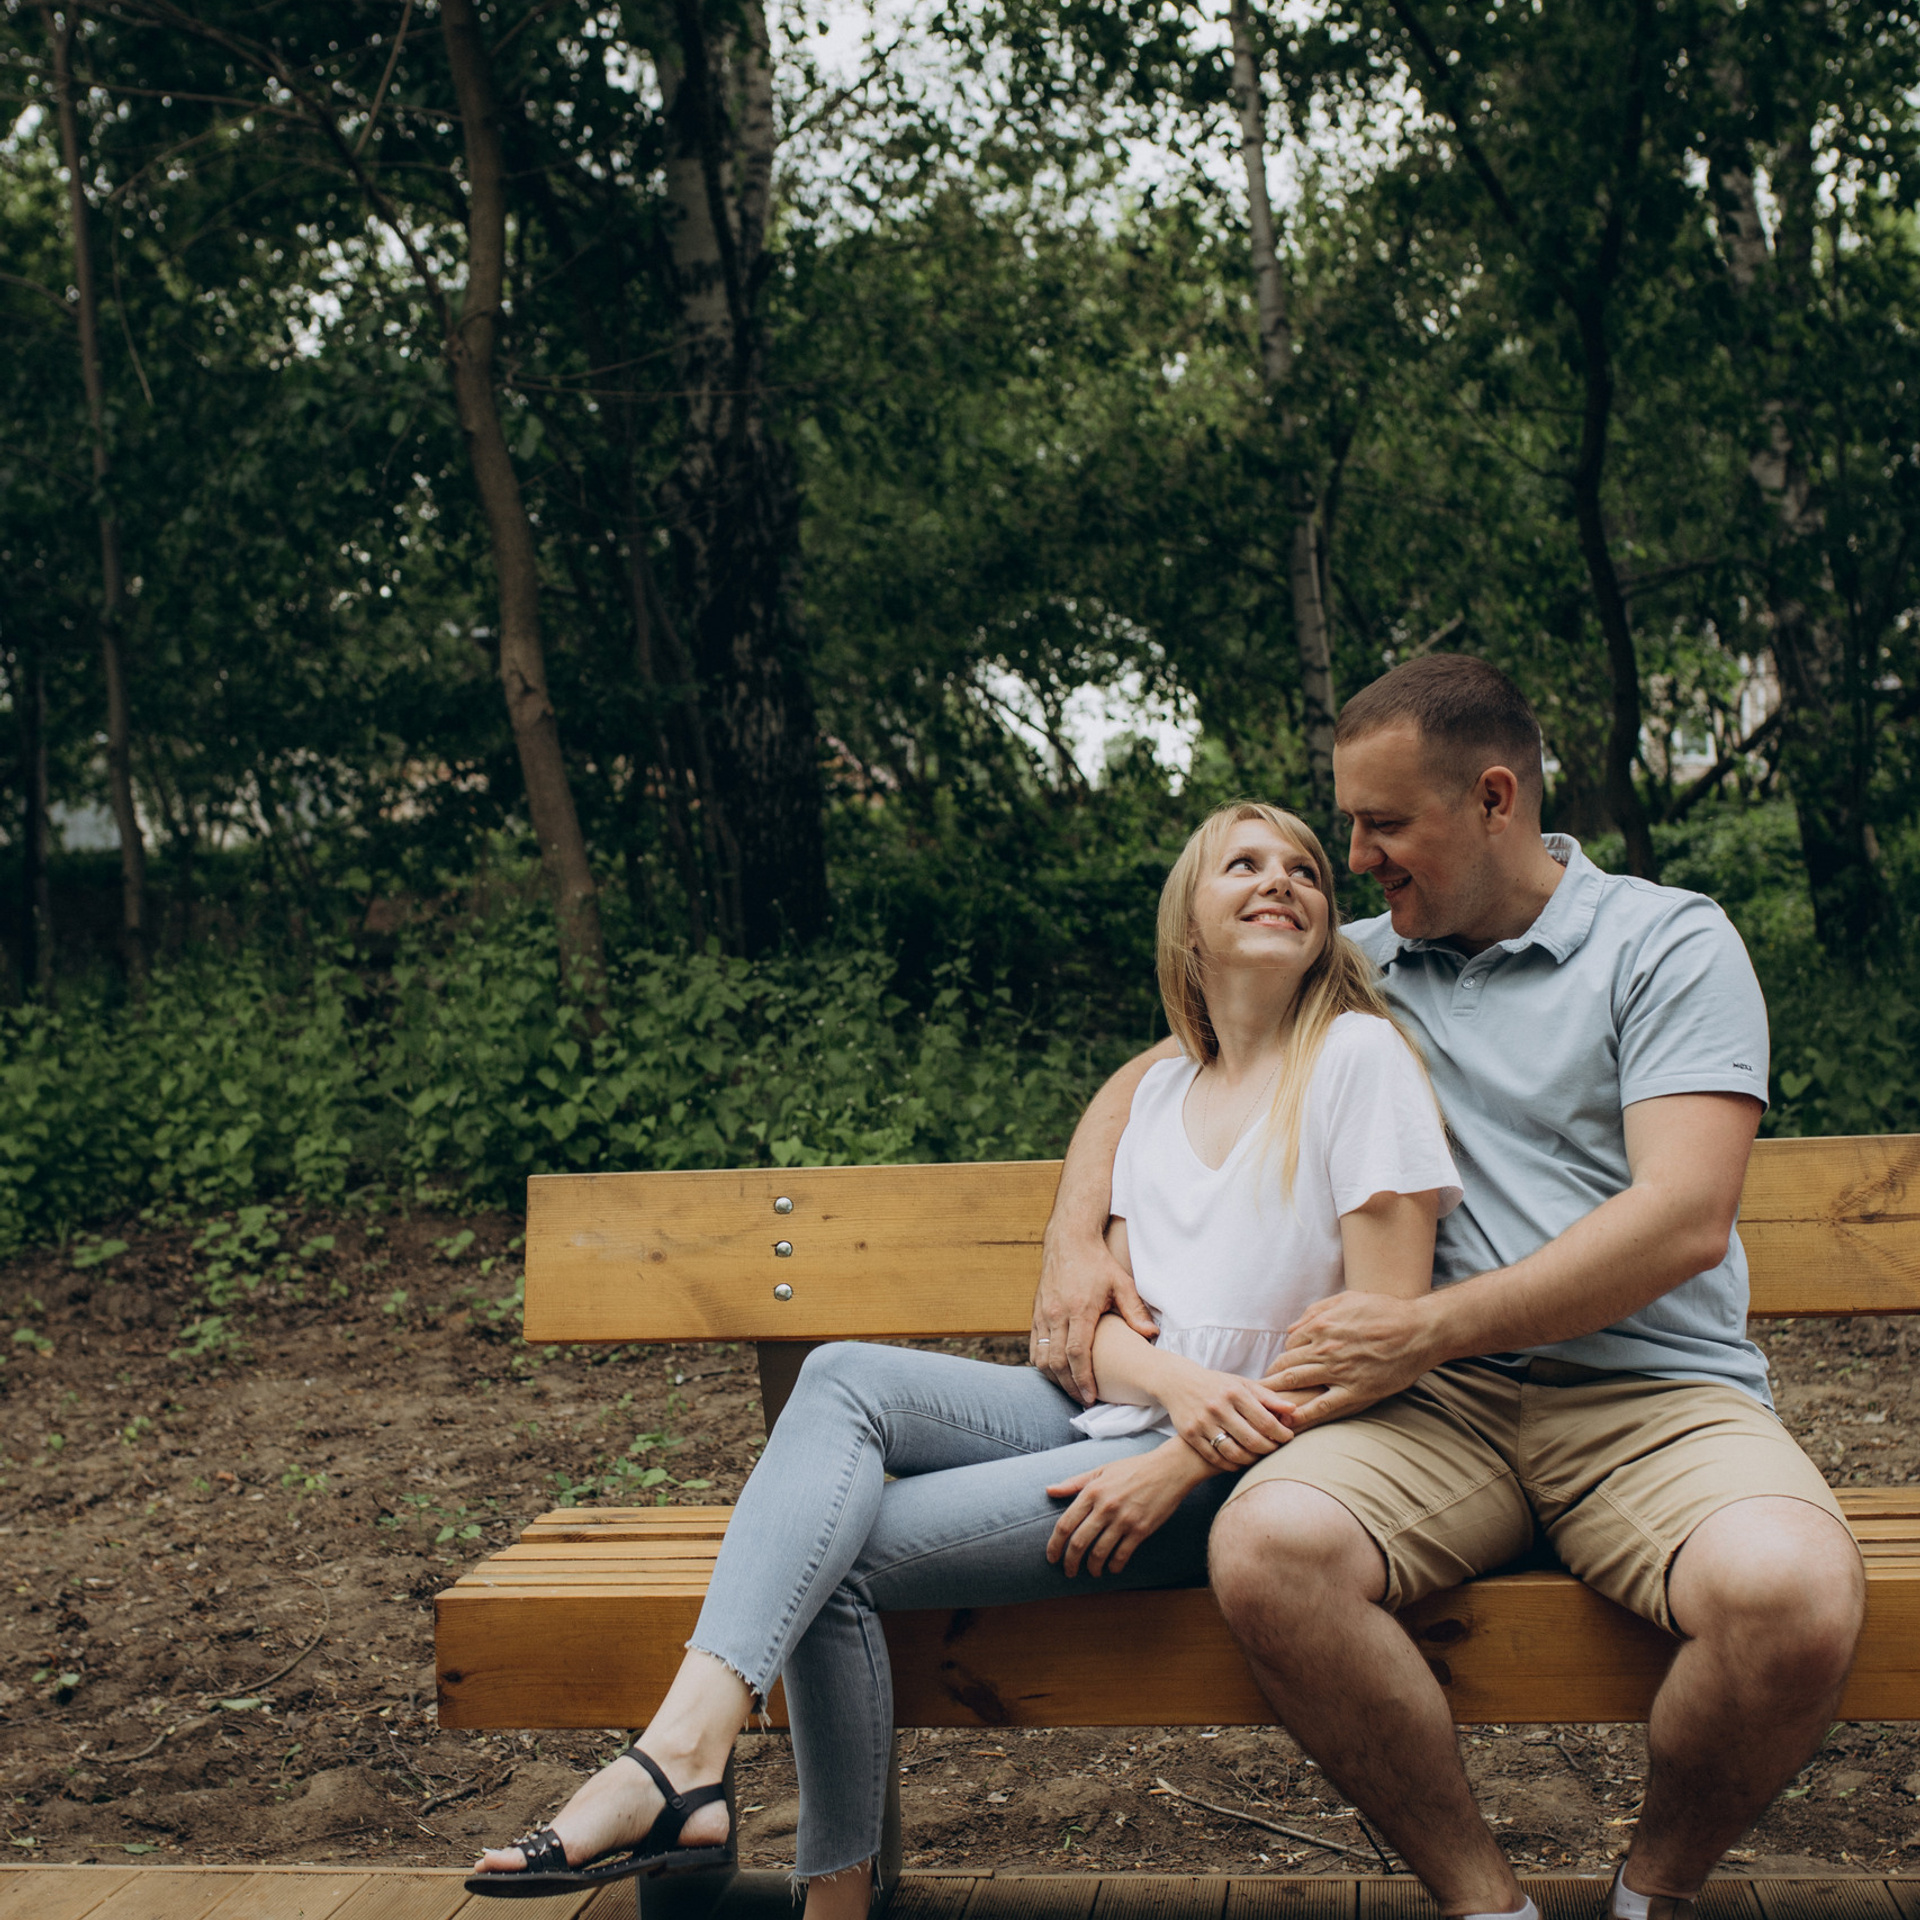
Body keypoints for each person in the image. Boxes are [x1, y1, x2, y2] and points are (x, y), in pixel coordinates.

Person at [467, 801, 1461, 1907]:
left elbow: (1383, 1339)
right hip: (1132, 1414)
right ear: (1188, 926)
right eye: (1244, 863)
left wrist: (1184, 1447)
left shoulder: (1360, 1063)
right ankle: (690, 1758)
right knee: (843, 1373)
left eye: (1308, 871)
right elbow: (1107, 1341)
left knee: (826, 1557)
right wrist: (1173, 1384)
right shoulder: (1163, 1091)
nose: (1282, 880)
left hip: (1250, 1472)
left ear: (1329, 927)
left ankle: (767, 1848)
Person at [1032, 656, 1865, 1920]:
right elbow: (1163, 1059)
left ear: (1492, 799)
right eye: (1348, 825)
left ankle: (1655, 1892)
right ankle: (1487, 1905)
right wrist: (1072, 1236)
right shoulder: (1360, 963)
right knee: (1268, 1549)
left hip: (1651, 1396)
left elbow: (1683, 1218)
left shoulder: (1666, 942)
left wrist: (1426, 1326)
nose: (1354, 856)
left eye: (1383, 824)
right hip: (1428, 1416)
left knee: (1793, 1598)